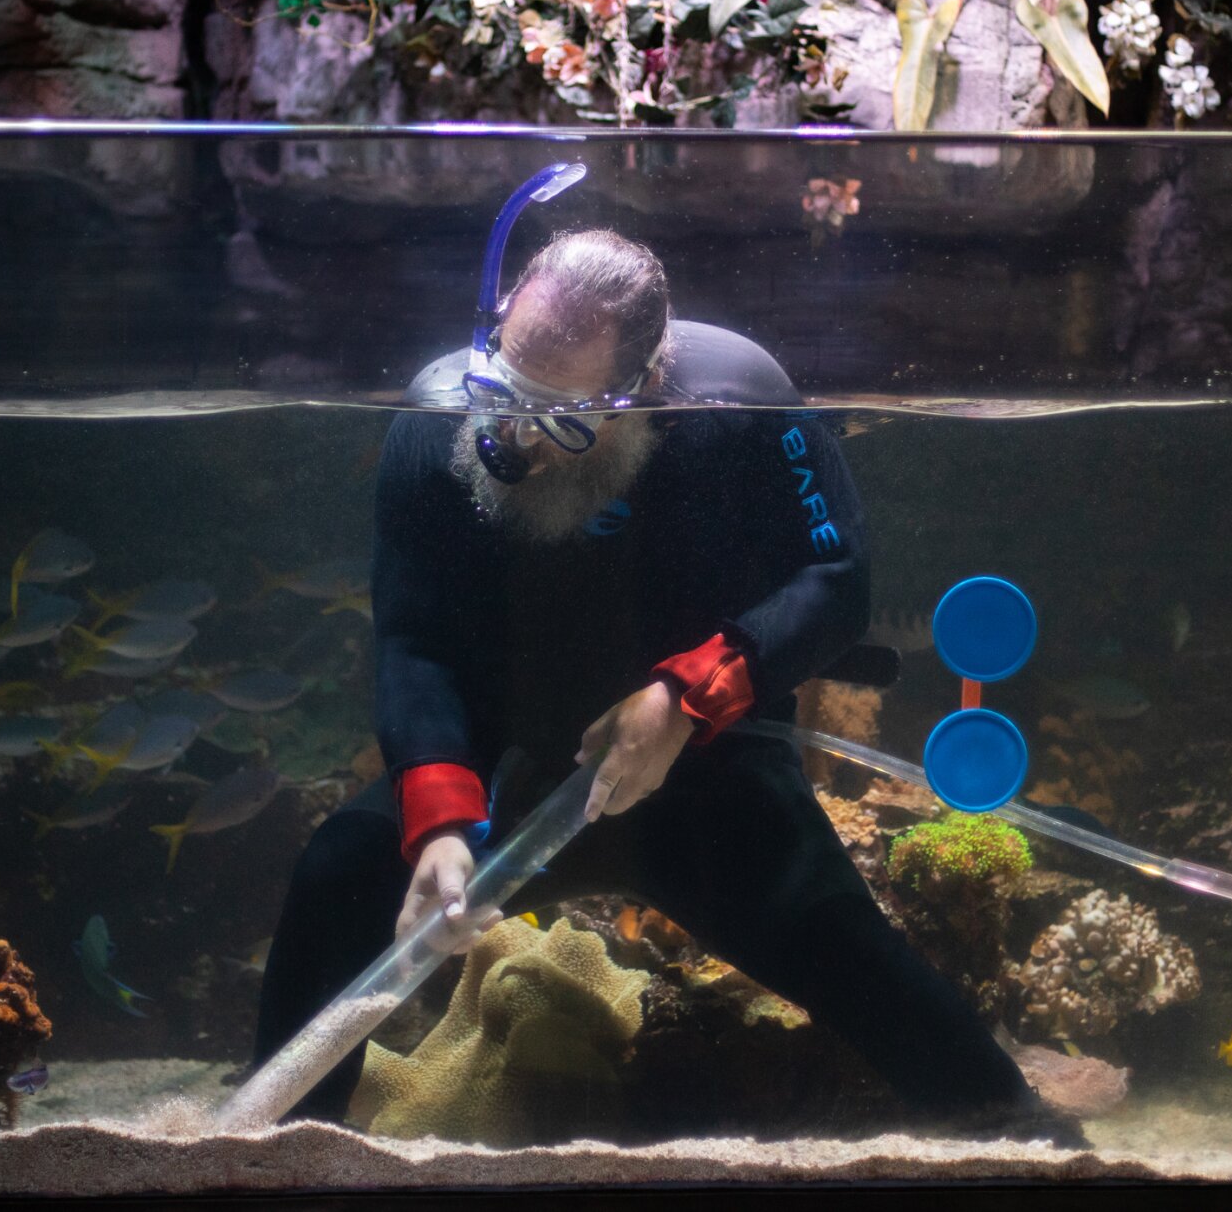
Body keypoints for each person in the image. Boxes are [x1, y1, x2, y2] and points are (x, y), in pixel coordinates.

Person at [251, 217, 1060, 1139]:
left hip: (711, 773)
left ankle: (1037, 1150)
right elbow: (413, 638)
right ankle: (269, 1161)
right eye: (504, 389)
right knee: (335, 876)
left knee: (860, 963)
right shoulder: (436, 426)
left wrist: (687, 698)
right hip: (504, 776)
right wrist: (437, 817)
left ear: (644, 389)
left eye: (563, 415)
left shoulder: (736, 406)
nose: (515, 438)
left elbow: (836, 584)